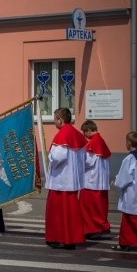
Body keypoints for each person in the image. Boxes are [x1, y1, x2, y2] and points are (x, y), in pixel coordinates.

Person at [44, 107, 87, 250]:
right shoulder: (77, 134)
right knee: (71, 212)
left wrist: (49, 156)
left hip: (61, 180)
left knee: (57, 212)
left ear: (60, 120)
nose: (54, 122)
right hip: (72, 180)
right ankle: (71, 239)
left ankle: (56, 237)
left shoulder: (62, 134)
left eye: (55, 119)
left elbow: (57, 157)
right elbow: (84, 158)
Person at [111, 131, 137, 252]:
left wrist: (116, 182)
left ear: (128, 143)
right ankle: (124, 243)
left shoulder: (128, 159)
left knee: (135, 219)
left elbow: (125, 177)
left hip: (133, 192)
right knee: (128, 219)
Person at [80, 120, 112, 239]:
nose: (84, 135)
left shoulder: (93, 142)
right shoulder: (100, 140)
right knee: (100, 206)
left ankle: (93, 229)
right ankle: (101, 226)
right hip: (101, 180)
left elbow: (88, 162)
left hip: (91, 181)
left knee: (87, 207)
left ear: (88, 131)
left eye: (84, 132)